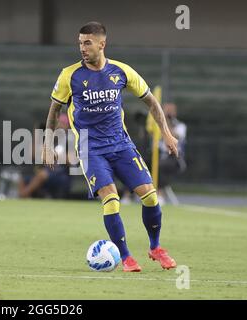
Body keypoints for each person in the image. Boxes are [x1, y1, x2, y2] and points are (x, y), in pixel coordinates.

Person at [42, 22, 179, 272]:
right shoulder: (69, 75)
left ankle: (155, 247)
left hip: (121, 145)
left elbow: (152, 102)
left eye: (87, 43)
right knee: (112, 201)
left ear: (101, 44)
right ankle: (126, 257)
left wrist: (167, 135)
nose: (82, 48)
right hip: (91, 149)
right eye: (80, 43)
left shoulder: (122, 71)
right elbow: (55, 110)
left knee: (150, 196)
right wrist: (47, 144)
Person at [158, 103, 187, 204]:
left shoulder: (180, 126)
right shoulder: (157, 126)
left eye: (170, 111)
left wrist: (167, 123)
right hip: (159, 156)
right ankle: (127, 195)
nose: (168, 113)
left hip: (175, 159)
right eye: (166, 110)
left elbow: (174, 136)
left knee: (160, 166)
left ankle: (160, 194)